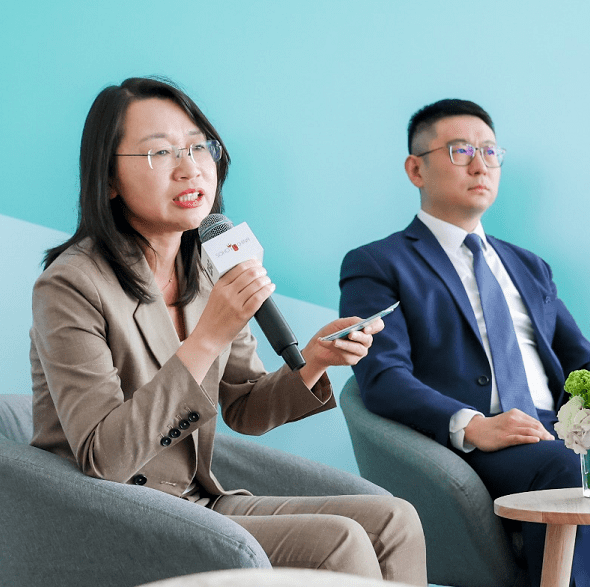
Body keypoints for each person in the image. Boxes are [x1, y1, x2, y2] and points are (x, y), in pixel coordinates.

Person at [338, 99, 590, 587]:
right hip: (483, 445)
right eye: (460, 151)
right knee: (565, 466)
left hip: (562, 429)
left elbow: (582, 358)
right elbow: (383, 377)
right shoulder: (378, 263)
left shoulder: (527, 265)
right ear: (416, 169)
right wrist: (473, 425)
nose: (480, 165)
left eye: (490, 152)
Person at [30, 77, 427, 583]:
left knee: (395, 520)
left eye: (199, 146)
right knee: (341, 542)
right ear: (108, 179)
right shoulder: (70, 284)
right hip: (112, 515)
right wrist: (208, 338)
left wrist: (315, 360)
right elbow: (104, 458)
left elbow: (244, 407)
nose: (190, 167)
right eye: (160, 152)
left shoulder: (209, 265)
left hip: (197, 499)